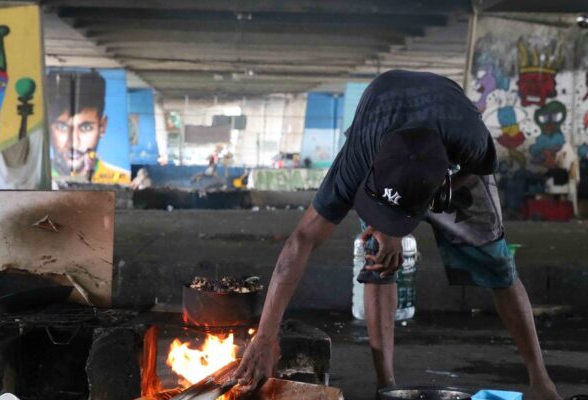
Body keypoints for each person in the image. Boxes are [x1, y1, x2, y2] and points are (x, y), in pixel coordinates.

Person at [234, 70, 560, 400]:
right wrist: (264, 336)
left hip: (450, 156)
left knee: (497, 265)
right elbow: (302, 239)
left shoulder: (470, 139)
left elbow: (479, 167)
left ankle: (541, 380)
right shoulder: (357, 161)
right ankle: (386, 385)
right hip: (386, 119)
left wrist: (421, 206)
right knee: (377, 254)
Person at [47, 70, 107, 179]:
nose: (74, 143)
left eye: (86, 127)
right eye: (62, 127)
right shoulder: (34, 180)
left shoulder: (119, 177)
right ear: (47, 128)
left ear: (102, 126)